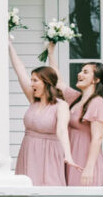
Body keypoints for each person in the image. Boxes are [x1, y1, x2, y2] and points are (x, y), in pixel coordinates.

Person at [8, 41, 76, 186]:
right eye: (31, 80)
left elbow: (62, 131)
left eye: (35, 80)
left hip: (50, 153)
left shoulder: (61, 105)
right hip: (28, 150)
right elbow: (19, 70)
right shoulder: (33, 99)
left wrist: (68, 155)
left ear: (46, 82)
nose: (31, 84)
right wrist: (9, 45)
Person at [46, 46, 103, 187]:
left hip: (85, 161)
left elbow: (98, 138)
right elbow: (58, 82)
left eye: (85, 72)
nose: (79, 74)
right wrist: (51, 53)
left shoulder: (97, 103)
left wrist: (89, 169)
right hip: (71, 157)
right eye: (80, 71)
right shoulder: (76, 98)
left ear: (96, 80)